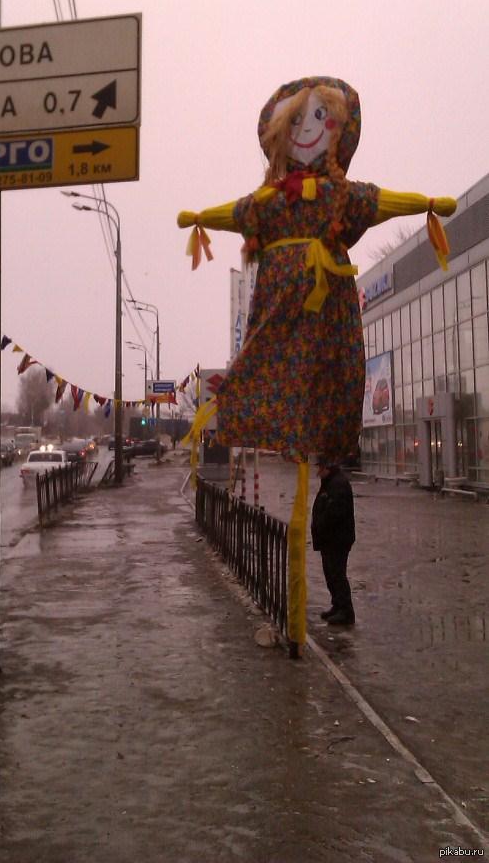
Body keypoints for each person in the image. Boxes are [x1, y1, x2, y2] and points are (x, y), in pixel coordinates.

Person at [177, 75, 457, 468]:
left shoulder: (341, 194)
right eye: (295, 121)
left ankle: (330, 449)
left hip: (330, 302)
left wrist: (426, 204)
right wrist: (201, 217)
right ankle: (273, 430)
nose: (307, 128)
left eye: (320, 117)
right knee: (266, 358)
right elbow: (237, 212)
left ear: (341, 130)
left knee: (337, 367)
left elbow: (382, 202)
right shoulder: (271, 200)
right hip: (280, 303)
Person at [311, 463, 355, 625]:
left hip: (337, 539)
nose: (317, 472)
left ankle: (345, 611)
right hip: (329, 538)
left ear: (327, 468)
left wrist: (321, 524)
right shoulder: (330, 482)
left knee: (337, 574)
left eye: (319, 469)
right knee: (330, 573)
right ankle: (337, 605)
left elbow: (334, 512)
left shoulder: (338, 485)